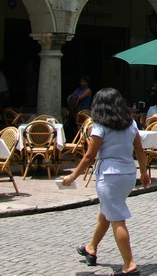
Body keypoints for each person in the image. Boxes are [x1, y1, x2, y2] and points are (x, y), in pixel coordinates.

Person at [62, 87, 149, 276]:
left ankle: (129, 264)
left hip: (109, 175)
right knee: (106, 212)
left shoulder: (99, 126)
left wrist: (72, 176)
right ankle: (91, 247)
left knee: (117, 218)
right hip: (127, 174)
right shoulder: (131, 123)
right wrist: (143, 172)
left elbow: (89, 156)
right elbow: (140, 151)